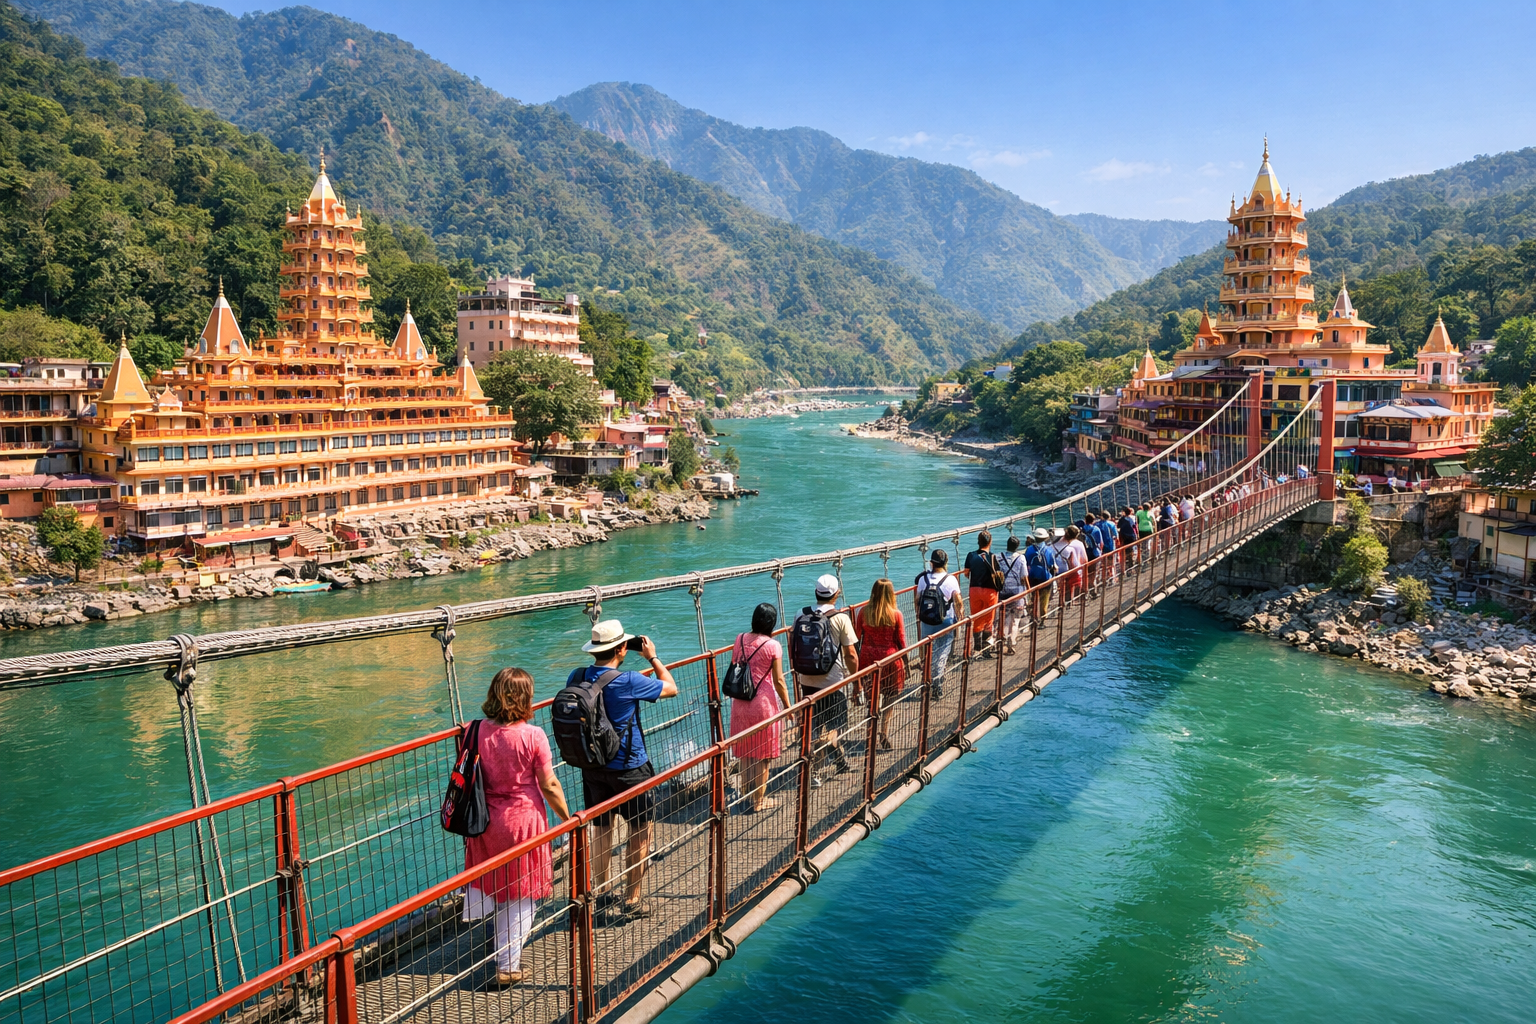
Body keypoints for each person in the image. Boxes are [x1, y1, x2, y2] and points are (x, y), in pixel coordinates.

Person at [463, 668, 572, 986]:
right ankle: (508, 966)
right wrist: (568, 819)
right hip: (523, 823)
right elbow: (549, 784)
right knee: (522, 893)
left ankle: (500, 945)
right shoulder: (533, 736)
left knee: (500, 887)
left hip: (484, 822)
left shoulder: (472, 731)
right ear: (525, 698)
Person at [570, 619, 677, 920]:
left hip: (593, 767)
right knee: (640, 831)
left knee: (602, 829)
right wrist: (653, 657)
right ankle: (632, 900)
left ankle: (603, 893)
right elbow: (671, 688)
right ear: (620, 649)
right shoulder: (628, 680)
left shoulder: (576, 676)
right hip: (630, 769)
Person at [792, 575, 859, 784]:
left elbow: (793, 646)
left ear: (816, 592)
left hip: (806, 681)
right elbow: (851, 655)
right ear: (836, 594)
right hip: (833, 683)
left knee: (812, 727)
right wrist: (856, 681)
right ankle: (815, 771)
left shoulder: (800, 614)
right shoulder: (841, 618)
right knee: (833, 728)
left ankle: (837, 762)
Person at [727, 603, 792, 813]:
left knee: (746, 752)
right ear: (772, 623)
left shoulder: (739, 639)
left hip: (740, 702)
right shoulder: (773, 646)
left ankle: (746, 794)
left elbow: (737, 665)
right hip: (763, 705)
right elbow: (779, 681)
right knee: (763, 756)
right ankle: (759, 801)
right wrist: (788, 707)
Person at [855, 579, 907, 749]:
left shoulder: (863, 612)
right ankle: (883, 732)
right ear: (891, 594)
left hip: (868, 661)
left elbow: (857, 638)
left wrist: (855, 666)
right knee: (890, 698)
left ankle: (871, 733)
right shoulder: (896, 614)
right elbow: (901, 640)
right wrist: (906, 662)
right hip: (890, 660)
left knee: (872, 699)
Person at [914, 550, 963, 698]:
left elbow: (917, 600)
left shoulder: (923, 579)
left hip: (926, 620)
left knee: (928, 652)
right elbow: (958, 601)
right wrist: (960, 617)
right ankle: (937, 684)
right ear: (945, 562)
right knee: (942, 652)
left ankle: (926, 681)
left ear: (931, 563)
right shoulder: (951, 579)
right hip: (945, 621)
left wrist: (918, 615)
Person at [963, 531, 1002, 657]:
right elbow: (998, 574)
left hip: (975, 590)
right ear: (990, 542)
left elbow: (966, 573)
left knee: (977, 618)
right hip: (990, 591)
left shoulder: (971, 555)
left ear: (978, 542)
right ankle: (986, 650)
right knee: (989, 620)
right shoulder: (993, 557)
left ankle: (977, 648)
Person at [995, 535, 1029, 653]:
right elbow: (1024, 576)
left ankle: (1003, 640)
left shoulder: (999, 557)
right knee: (1015, 620)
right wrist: (1028, 592)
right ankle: (1012, 642)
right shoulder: (1021, 558)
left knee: (1004, 619)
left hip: (1003, 592)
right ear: (1017, 546)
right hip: (1017, 593)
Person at [1023, 528, 1057, 624]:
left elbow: (1027, 562)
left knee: (1033, 598)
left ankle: (1033, 618)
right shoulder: (1049, 550)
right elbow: (1052, 565)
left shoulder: (1029, 549)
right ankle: (1042, 621)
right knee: (1044, 600)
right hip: (1045, 578)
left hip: (1032, 577)